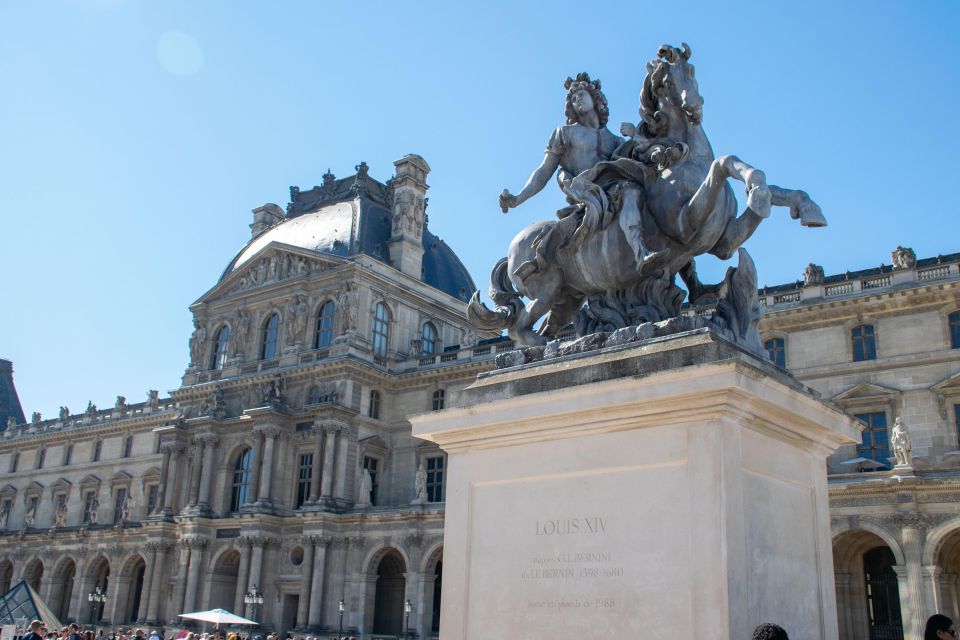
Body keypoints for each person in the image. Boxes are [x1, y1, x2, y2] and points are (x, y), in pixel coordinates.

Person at [499, 73, 666, 280]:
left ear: (596, 99)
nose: (576, 99)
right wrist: (517, 198)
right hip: (585, 193)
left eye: (581, 94)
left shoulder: (613, 140)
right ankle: (641, 252)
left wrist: (635, 135)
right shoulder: (565, 133)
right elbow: (543, 172)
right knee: (630, 191)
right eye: (573, 97)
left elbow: (642, 157)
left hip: (611, 188)